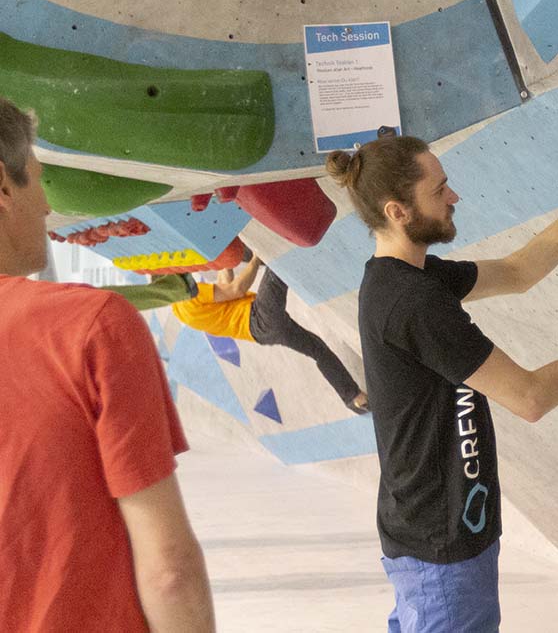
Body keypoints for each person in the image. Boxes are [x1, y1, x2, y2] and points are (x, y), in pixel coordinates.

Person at [326, 138, 558, 633]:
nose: (454, 198)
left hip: (431, 536)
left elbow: (518, 272)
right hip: (441, 547)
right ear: (398, 211)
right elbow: (530, 398)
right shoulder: (413, 303)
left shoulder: (407, 278)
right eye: (440, 189)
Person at [0, 97, 214, 631]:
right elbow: (169, 571)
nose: (47, 207)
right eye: (39, 180)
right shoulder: (93, 326)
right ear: (4, 190)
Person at [170, 255, 370, 414]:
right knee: (276, 256)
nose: (188, 272)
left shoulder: (180, 308)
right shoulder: (190, 297)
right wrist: (258, 255)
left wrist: (226, 259)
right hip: (259, 316)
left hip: (262, 332)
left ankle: (353, 398)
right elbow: (236, 289)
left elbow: (224, 286)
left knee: (318, 350)